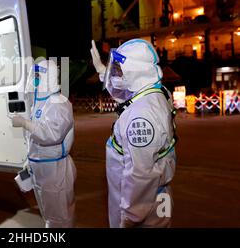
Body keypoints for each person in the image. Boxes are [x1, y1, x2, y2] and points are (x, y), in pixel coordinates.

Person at [90, 39, 177, 228]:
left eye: (120, 70)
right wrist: (101, 70)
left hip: (143, 205)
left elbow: (140, 175)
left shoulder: (142, 116)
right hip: (155, 197)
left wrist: (129, 217)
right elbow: (125, 93)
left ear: (135, 70)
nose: (116, 74)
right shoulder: (155, 90)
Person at [11, 59, 77, 228]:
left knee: (59, 217)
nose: (35, 79)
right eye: (35, 75)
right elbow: (34, 137)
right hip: (41, 169)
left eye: (38, 75)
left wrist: (25, 123)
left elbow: (52, 134)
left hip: (54, 171)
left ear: (49, 77)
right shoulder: (41, 102)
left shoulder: (59, 102)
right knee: (49, 213)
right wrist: (29, 159)